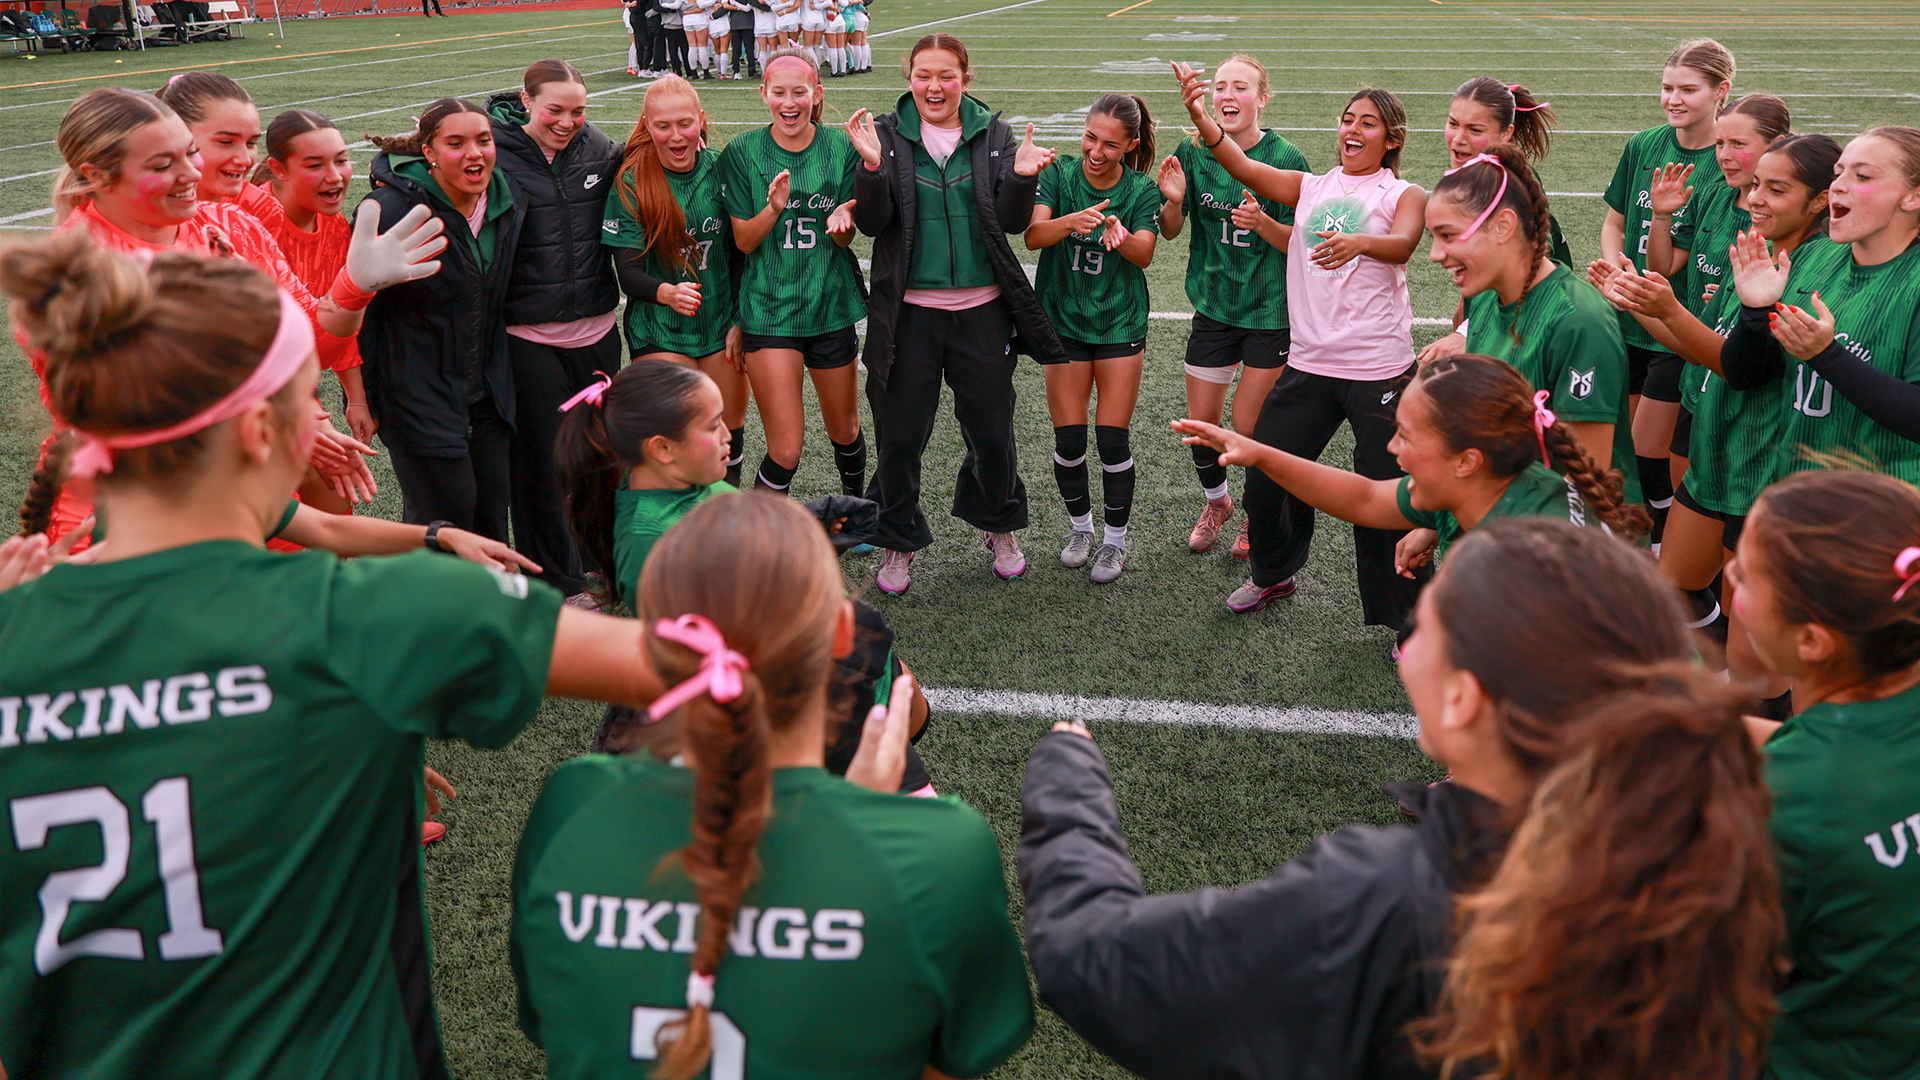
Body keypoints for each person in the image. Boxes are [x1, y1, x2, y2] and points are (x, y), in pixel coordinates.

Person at [0, 233, 666, 1080]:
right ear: (257, 430)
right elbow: (699, 663)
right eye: (303, 402)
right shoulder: (372, 621)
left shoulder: (19, 631)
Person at [1020, 518, 1779, 1080]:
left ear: (1465, 700)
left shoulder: (1386, 893)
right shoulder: (1717, 861)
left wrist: (1068, 774)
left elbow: (1093, 961)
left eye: (1425, 632)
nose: (1406, 651)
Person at [511, 493, 1035, 1080]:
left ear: (655, 641)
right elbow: (946, 1061)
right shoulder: (940, 848)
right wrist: (866, 824)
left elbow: (554, 1017)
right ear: (844, 631)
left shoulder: (572, 805)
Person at [41, 87, 444, 547]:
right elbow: (135, 407)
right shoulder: (75, 268)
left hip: (241, 483)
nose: (191, 172)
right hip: (128, 506)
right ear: (97, 175)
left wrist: (352, 291)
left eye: (191, 153)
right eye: (161, 165)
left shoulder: (230, 225)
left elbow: (306, 351)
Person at [1173, 64, 1427, 624]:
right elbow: (1238, 162)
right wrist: (1199, 115)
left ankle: (1407, 617)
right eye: (1346, 120)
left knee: (1388, 498)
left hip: (1379, 371)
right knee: (1267, 478)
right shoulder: (1312, 187)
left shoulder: (1404, 192)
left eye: (1367, 122)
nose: (1352, 129)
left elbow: (1404, 242)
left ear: (1391, 139)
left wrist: (1360, 241)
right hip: (1310, 365)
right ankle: (1273, 574)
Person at [1601, 133, 1840, 717]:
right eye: (1756, 183)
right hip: (1717, 451)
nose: (1755, 197)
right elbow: (1711, 348)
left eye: (1775, 188)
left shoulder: (1814, 271)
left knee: (1759, 656)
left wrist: (1664, 309)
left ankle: (1759, 762)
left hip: (1764, 467)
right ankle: (1721, 703)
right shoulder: (1756, 246)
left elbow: (1743, 368)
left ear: (1818, 202)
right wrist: (1643, 305)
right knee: (1673, 584)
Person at [847, 33, 1062, 594]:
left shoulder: (994, 134)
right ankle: (897, 540)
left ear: (965, 78)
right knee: (899, 436)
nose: (934, 86)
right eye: (923, 75)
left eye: (946, 75)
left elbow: (1013, 223)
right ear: (909, 77)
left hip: (982, 314)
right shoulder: (885, 136)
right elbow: (872, 224)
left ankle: (1000, 526)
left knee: (992, 432)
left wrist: (1020, 175)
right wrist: (870, 169)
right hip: (908, 317)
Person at [1729, 470, 1920, 1080]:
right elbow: (1832, 764)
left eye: (1746, 576)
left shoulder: (1790, 802)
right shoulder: (1842, 754)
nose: (1728, 574)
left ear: (1811, 641)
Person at [1175, 353, 1648, 586]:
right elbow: (1363, 497)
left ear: (1466, 460)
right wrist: (1256, 452)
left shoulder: (1527, 553)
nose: (1394, 448)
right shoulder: (1478, 485)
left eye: (1408, 437)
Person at [1156, 54, 1309, 556]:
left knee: (1249, 425)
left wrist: (1264, 224)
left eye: (1240, 87)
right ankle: (1216, 502)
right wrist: (1174, 202)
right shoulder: (1193, 151)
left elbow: (1304, 245)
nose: (1227, 96)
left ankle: (1251, 514)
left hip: (1269, 313)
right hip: (1215, 308)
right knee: (1202, 427)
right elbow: (1172, 231)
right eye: (1219, 86)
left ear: (1262, 98)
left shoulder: (1286, 158)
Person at [1430, 144, 1641, 506]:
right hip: (1502, 520)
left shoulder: (1578, 320)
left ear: (1504, 226)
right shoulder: (1483, 296)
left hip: (1565, 544)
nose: (1435, 254)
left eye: (1448, 236)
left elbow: (1584, 482)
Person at [487, 60, 625, 606]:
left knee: (597, 454)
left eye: (578, 110)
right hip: (529, 337)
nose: (567, 122)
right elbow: (422, 155)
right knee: (543, 463)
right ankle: (555, 578)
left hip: (596, 331)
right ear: (526, 101)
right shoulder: (492, 152)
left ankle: (596, 556)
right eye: (555, 110)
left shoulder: (600, 149)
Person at [359, 98, 525, 542]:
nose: (474, 153)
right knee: (442, 525)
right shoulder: (391, 211)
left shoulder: (505, 201)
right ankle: (434, 610)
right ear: (428, 152)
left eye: (483, 140)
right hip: (417, 395)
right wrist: (362, 400)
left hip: (488, 394)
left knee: (492, 519)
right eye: (457, 143)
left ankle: (490, 610)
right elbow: (363, 318)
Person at [1719, 125, 1920, 483]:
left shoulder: (1912, 283)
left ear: (1913, 197)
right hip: (1796, 492)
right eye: (1839, 171)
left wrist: (1827, 356)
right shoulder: (1815, 259)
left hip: (1885, 511)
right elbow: (1744, 375)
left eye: (1861, 176)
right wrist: (1753, 312)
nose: (1839, 185)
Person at [1598, 38, 1735, 545]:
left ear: (1721, 91)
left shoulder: (1728, 165)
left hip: (1675, 329)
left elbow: (1676, 260)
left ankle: (1665, 545)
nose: (1673, 99)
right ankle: (1656, 540)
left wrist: (1639, 286)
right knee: (1628, 452)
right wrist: (1617, 278)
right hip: (1625, 314)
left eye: (1688, 89)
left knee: (1649, 452)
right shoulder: (1644, 144)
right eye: (1666, 87)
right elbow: (1613, 223)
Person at [719, 50, 867, 501]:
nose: (789, 102)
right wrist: (774, 208)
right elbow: (743, 241)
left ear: (816, 94)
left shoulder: (841, 147)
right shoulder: (743, 151)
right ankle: (760, 538)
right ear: (763, 94)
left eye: (799, 92)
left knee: (845, 429)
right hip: (768, 313)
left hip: (830, 306)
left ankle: (853, 509)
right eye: (778, 92)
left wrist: (843, 226)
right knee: (785, 447)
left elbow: (844, 238)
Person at [1027, 93, 1159, 583]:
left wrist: (1121, 237)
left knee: (1111, 438)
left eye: (1109, 144)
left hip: (1119, 323)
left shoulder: (1142, 190)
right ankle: (1081, 529)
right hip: (1063, 321)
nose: (1096, 152)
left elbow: (1146, 253)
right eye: (1090, 138)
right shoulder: (1060, 174)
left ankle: (1115, 542)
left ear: (1130, 145)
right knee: (1068, 439)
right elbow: (1034, 235)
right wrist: (1070, 222)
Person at [604, 75, 751, 488]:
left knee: (726, 433)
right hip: (659, 328)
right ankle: (666, 536)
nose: (675, 135)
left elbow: (742, 257)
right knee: (672, 437)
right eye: (663, 126)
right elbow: (628, 273)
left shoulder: (722, 170)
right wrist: (666, 292)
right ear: (648, 127)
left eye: (684, 123)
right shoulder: (632, 180)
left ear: (701, 121)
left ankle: (721, 528)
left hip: (720, 324)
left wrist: (740, 320)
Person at [1418, 75, 1569, 365]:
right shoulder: (1478, 175)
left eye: (1474, 129)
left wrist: (1467, 332)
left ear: (1506, 133)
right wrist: (1468, 303)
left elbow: (1532, 259)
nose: (1458, 139)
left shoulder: (1508, 183)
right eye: (1453, 124)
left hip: (1531, 324)